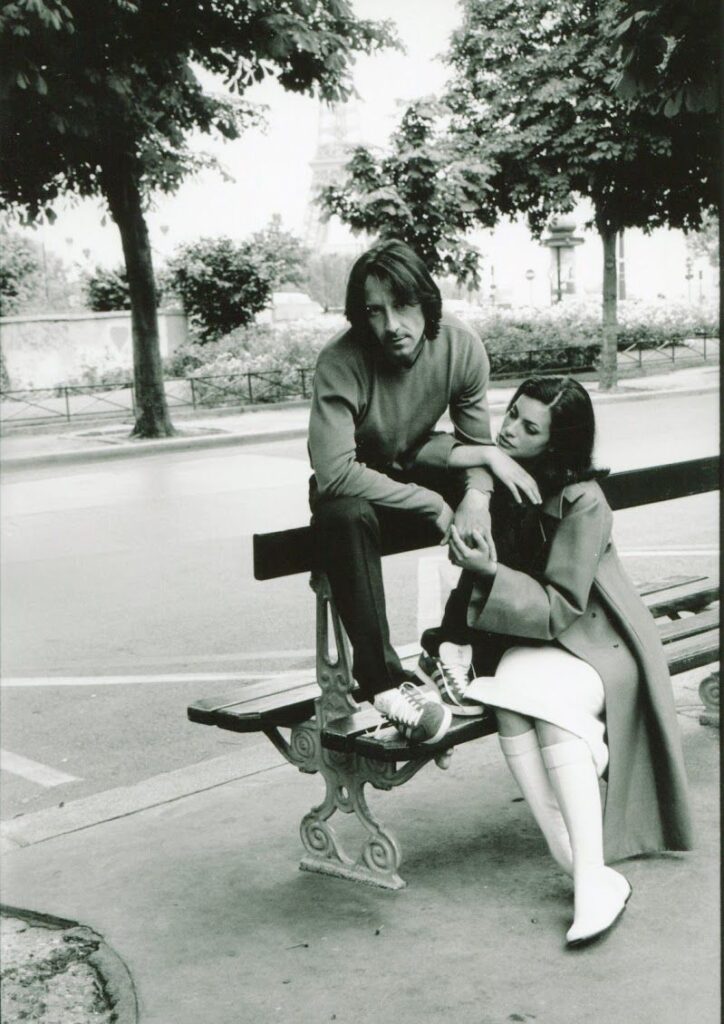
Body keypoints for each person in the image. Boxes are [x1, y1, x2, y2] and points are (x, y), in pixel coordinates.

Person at [406, 374, 693, 947]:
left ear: (557, 443)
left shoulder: (584, 501)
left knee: (541, 707)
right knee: (514, 703)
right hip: (532, 649)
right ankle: (583, 869)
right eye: (512, 413)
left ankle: (590, 878)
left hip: (597, 645)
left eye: (529, 428)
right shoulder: (498, 473)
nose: (511, 430)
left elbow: (562, 607)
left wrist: (490, 572)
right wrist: (483, 463)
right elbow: (418, 451)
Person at [307, 238, 540, 743]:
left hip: (415, 464)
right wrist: (433, 503)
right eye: (375, 310)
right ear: (360, 317)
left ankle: (452, 643)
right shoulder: (340, 361)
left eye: (403, 304)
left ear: (426, 302)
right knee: (342, 515)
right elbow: (335, 473)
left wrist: (476, 497)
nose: (392, 324)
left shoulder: (460, 345)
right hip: (358, 484)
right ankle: (385, 686)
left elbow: (476, 443)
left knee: (509, 491)